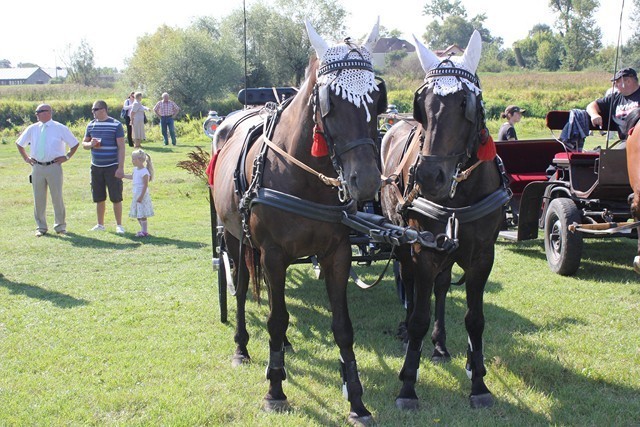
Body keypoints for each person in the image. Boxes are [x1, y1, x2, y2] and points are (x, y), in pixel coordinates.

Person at [15, 104, 80, 236]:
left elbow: (74, 143)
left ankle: (60, 226)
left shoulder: (59, 128)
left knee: (57, 197)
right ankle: (41, 227)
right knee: (38, 198)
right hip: (37, 167)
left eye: (39, 111)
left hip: (54, 166)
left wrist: (67, 157)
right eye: (36, 112)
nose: (36, 114)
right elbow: (19, 143)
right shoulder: (32, 128)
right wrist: (26, 158)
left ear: (48, 112)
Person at [82, 100, 127, 234]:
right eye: (92, 110)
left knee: (116, 197)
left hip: (112, 166)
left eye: (95, 109)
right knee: (99, 197)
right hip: (96, 166)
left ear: (103, 110)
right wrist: (91, 144)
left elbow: (121, 147)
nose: (93, 112)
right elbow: (84, 143)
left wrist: (120, 167)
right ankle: (100, 224)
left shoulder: (116, 125)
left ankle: (119, 225)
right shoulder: (91, 125)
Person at [587, 67, 640, 140]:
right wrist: (594, 114)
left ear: (628, 81)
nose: (615, 85)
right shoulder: (614, 98)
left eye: (617, 82)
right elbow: (592, 105)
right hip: (625, 141)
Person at [123, 149, 154, 237]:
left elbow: (145, 185)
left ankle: (144, 231)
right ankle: (143, 230)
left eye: (133, 159)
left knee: (142, 214)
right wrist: (124, 176)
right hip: (136, 194)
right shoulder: (136, 169)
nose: (132, 161)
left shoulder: (145, 172)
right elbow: (133, 177)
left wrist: (141, 196)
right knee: (138, 214)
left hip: (142, 195)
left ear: (140, 160)